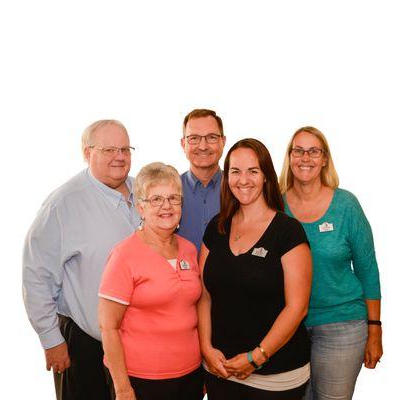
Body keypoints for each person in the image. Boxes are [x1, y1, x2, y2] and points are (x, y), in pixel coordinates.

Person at [22, 120, 140, 400]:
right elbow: (36, 274)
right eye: (109, 149)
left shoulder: (144, 193)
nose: (120, 156)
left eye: (125, 148)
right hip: (84, 344)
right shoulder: (63, 204)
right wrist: (51, 340)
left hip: (137, 344)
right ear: (87, 153)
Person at [198, 138, 313, 400]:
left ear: (266, 177)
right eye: (235, 171)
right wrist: (206, 347)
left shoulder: (288, 231)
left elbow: (297, 307)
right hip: (220, 370)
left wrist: (257, 356)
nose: (243, 179)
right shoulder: (217, 227)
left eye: (253, 171)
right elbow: (204, 294)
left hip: (275, 376)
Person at [279, 126, 383, 400]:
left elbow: (368, 270)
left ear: (325, 158)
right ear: (289, 157)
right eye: (298, 151)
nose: (305, 158)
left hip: (342, 324)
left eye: (314, 151)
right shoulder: (275, 206)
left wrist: (375, 329)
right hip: (288, 328)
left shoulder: (346, 205)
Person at [98, 162, 204, 400]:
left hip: (190, 375)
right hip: (141, 380)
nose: (166, 206)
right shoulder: (124, 255)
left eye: (173, 198)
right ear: (141, 208)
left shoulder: (188, 250)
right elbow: (108, 327)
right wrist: (123, 388)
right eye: (156, 199)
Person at [178, 108, 227, 252]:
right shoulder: (170, 192)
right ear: (183, 143)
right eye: (194, 138)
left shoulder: (239, 189)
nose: (203, 146)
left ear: (223, 141)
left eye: (211, 137)